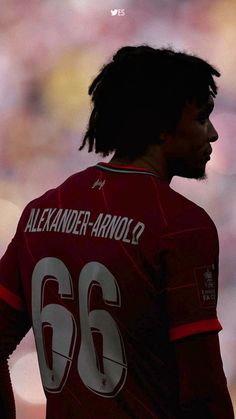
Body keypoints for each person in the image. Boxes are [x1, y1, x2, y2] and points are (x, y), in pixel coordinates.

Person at [0, 45, 234, 419]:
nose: (214, 133)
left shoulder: (41, 211)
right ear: (162, 126)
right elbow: (204, 391)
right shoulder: (180, 224)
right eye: (202, 118)